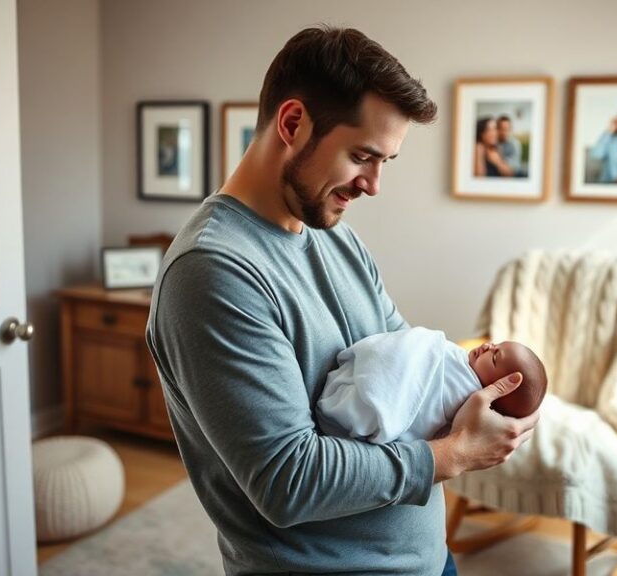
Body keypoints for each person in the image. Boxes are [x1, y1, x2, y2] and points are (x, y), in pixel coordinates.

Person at [145, 26, 539, 576]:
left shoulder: (334, 234)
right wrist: (453, 455)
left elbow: (412, 362)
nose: (374, 184)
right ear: (292, 124)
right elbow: (289, 480)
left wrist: (481, 397)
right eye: (363, 156)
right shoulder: (213, 273)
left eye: (386, 163)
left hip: (425, 557)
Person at [317, 327, 548, 443]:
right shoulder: (460, 359)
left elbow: (430, 418)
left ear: (498, 390)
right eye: (495, 344)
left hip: (373, 404)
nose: (488, 346)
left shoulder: (465, 397)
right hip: (376, 376)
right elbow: (415, 351)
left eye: (495, 357)